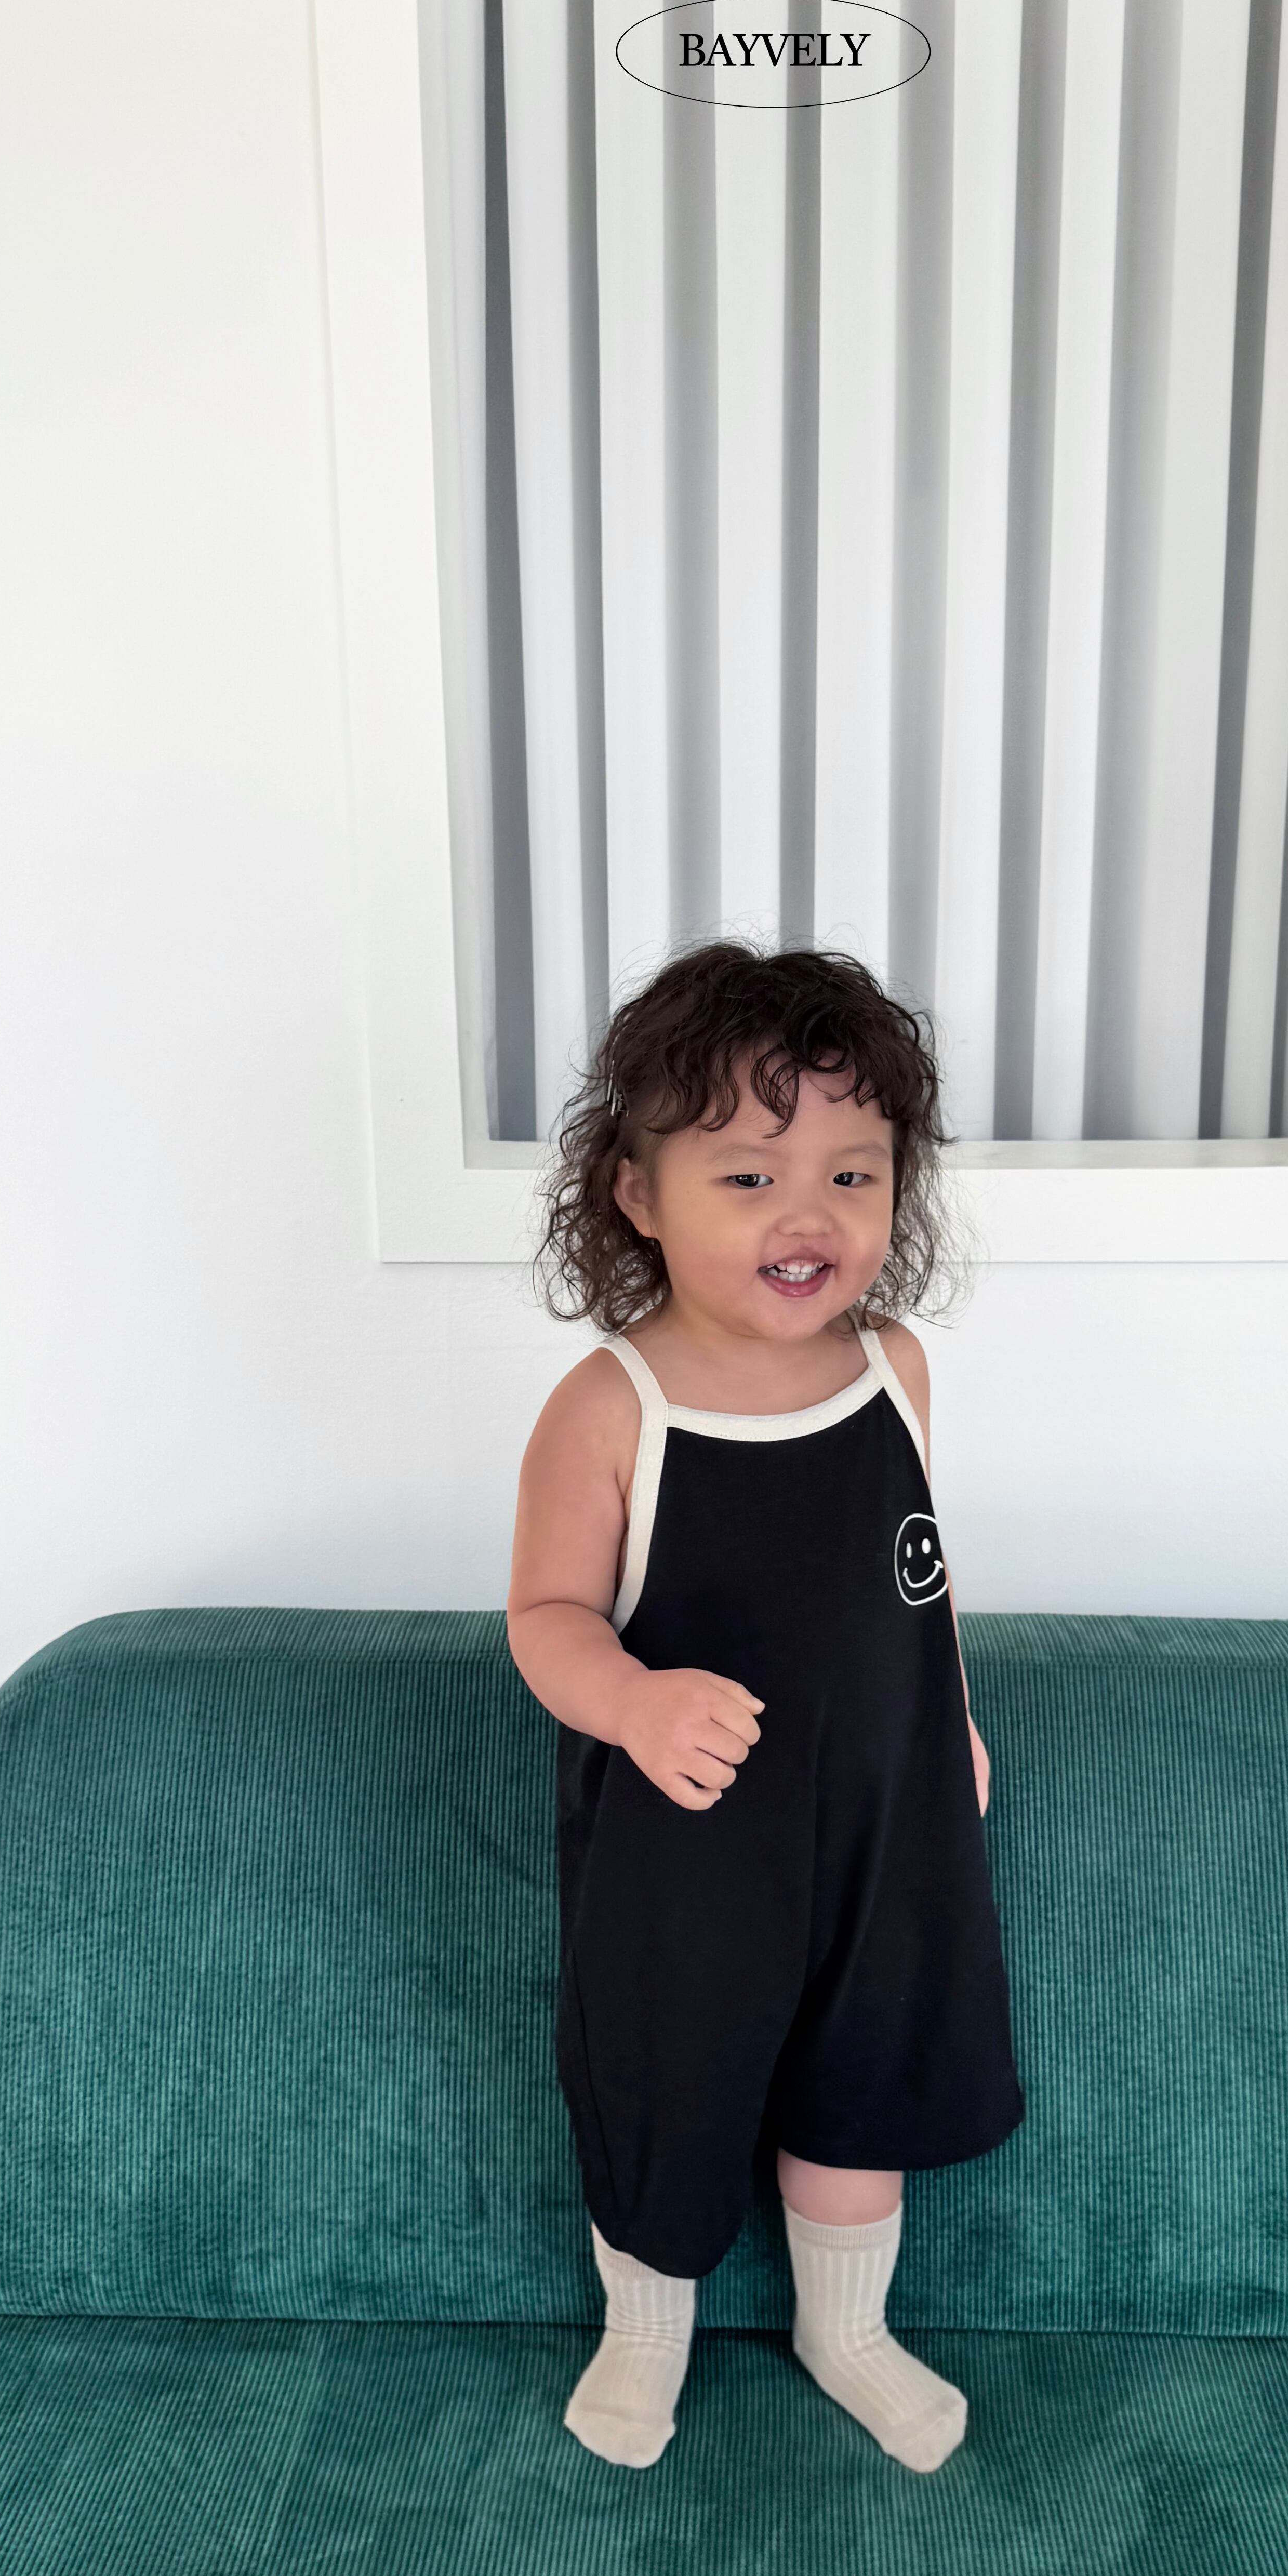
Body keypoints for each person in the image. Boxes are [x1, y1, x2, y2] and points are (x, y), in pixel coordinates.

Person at [507, 942, 1024, 2475]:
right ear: (636, 1193)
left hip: (886, 1831)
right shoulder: (613, 1405)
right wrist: (633, 1703)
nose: (810, 1217)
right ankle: (642, 2331)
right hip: (691, 1852)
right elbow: (544, 1620)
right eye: (748, 1178)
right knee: (666, 2084)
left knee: (866, 2079)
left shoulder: (895, 1370)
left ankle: (845, 2330)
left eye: (852, 1175)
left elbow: (918, 1574)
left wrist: (952, 1718)